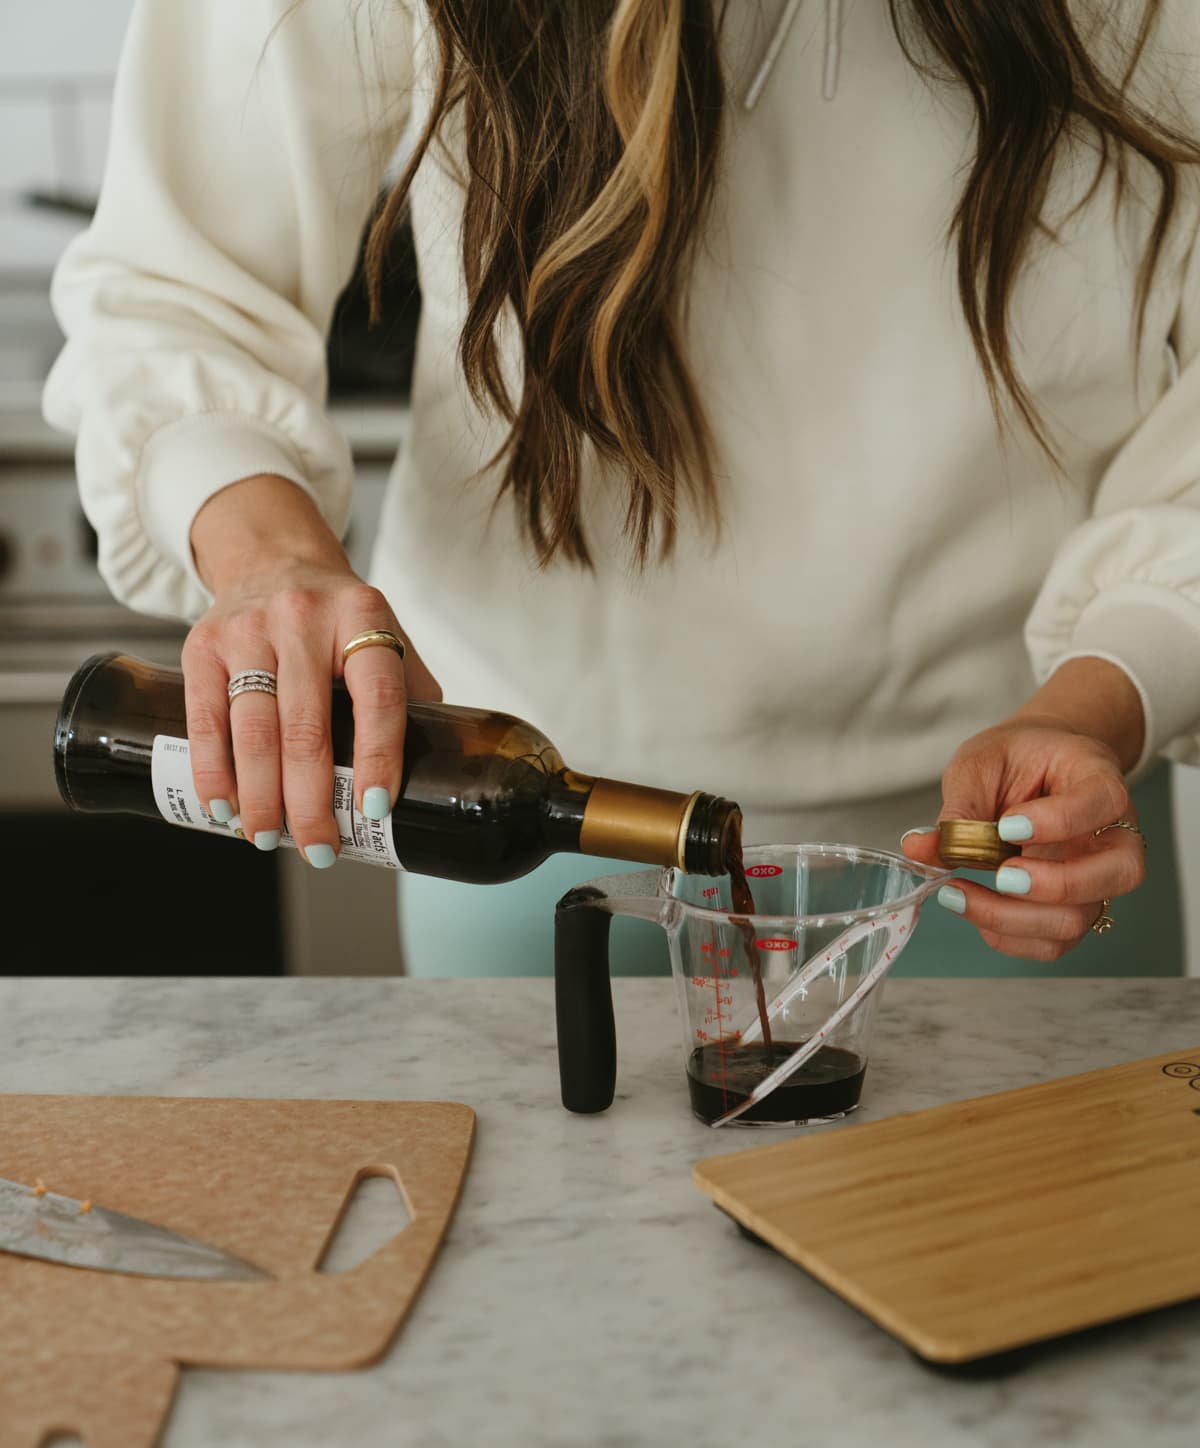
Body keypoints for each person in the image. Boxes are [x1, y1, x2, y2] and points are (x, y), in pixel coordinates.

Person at [44, 0, 1200, 979]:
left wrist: (1093, 703)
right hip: (521, 839)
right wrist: (270, 558)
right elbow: (178, 288)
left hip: (1018, 848)